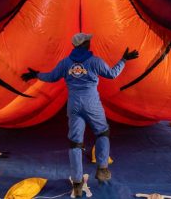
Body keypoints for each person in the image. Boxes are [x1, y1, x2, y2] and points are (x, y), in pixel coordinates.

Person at [21, 33, 138, 197]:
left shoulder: (65, 63)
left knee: (75, 143)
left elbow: (52, 77)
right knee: (102, 132)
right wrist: (124, 60)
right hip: (92, 104)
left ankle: (77, 183)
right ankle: (102, 169)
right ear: (85, 45)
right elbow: (112, 74)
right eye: (89, 41)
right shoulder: (95, 61)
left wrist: (36, 74)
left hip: (74, 105)